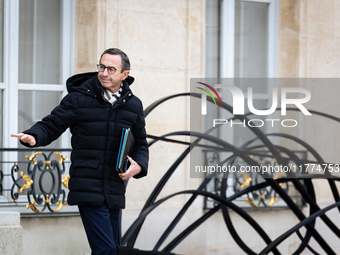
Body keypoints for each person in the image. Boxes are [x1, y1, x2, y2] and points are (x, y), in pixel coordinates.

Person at [11, 48, 149, 255]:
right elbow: (52, 124)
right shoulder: (79, 98)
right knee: (107, 251)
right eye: (101, 67)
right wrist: (34, 136)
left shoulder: (133, 105)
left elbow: (140, 143)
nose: (104, 73)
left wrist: (138, 166)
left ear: (124, 75)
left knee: (112, 250)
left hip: (114, 189)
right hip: (87, 186)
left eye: (111, 69)